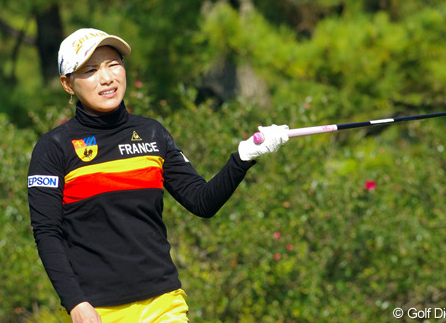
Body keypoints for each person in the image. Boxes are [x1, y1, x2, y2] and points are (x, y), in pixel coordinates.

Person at [27, 28, 288, 323]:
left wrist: (244, 155)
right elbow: (47, 233)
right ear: (68, 84)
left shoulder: (153, 133)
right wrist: (75, 303)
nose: (107, 78)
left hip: (162, 303)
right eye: (90, 70)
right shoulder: (53, 148)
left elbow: (202, 201)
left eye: (113, 64)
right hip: (96, 310)